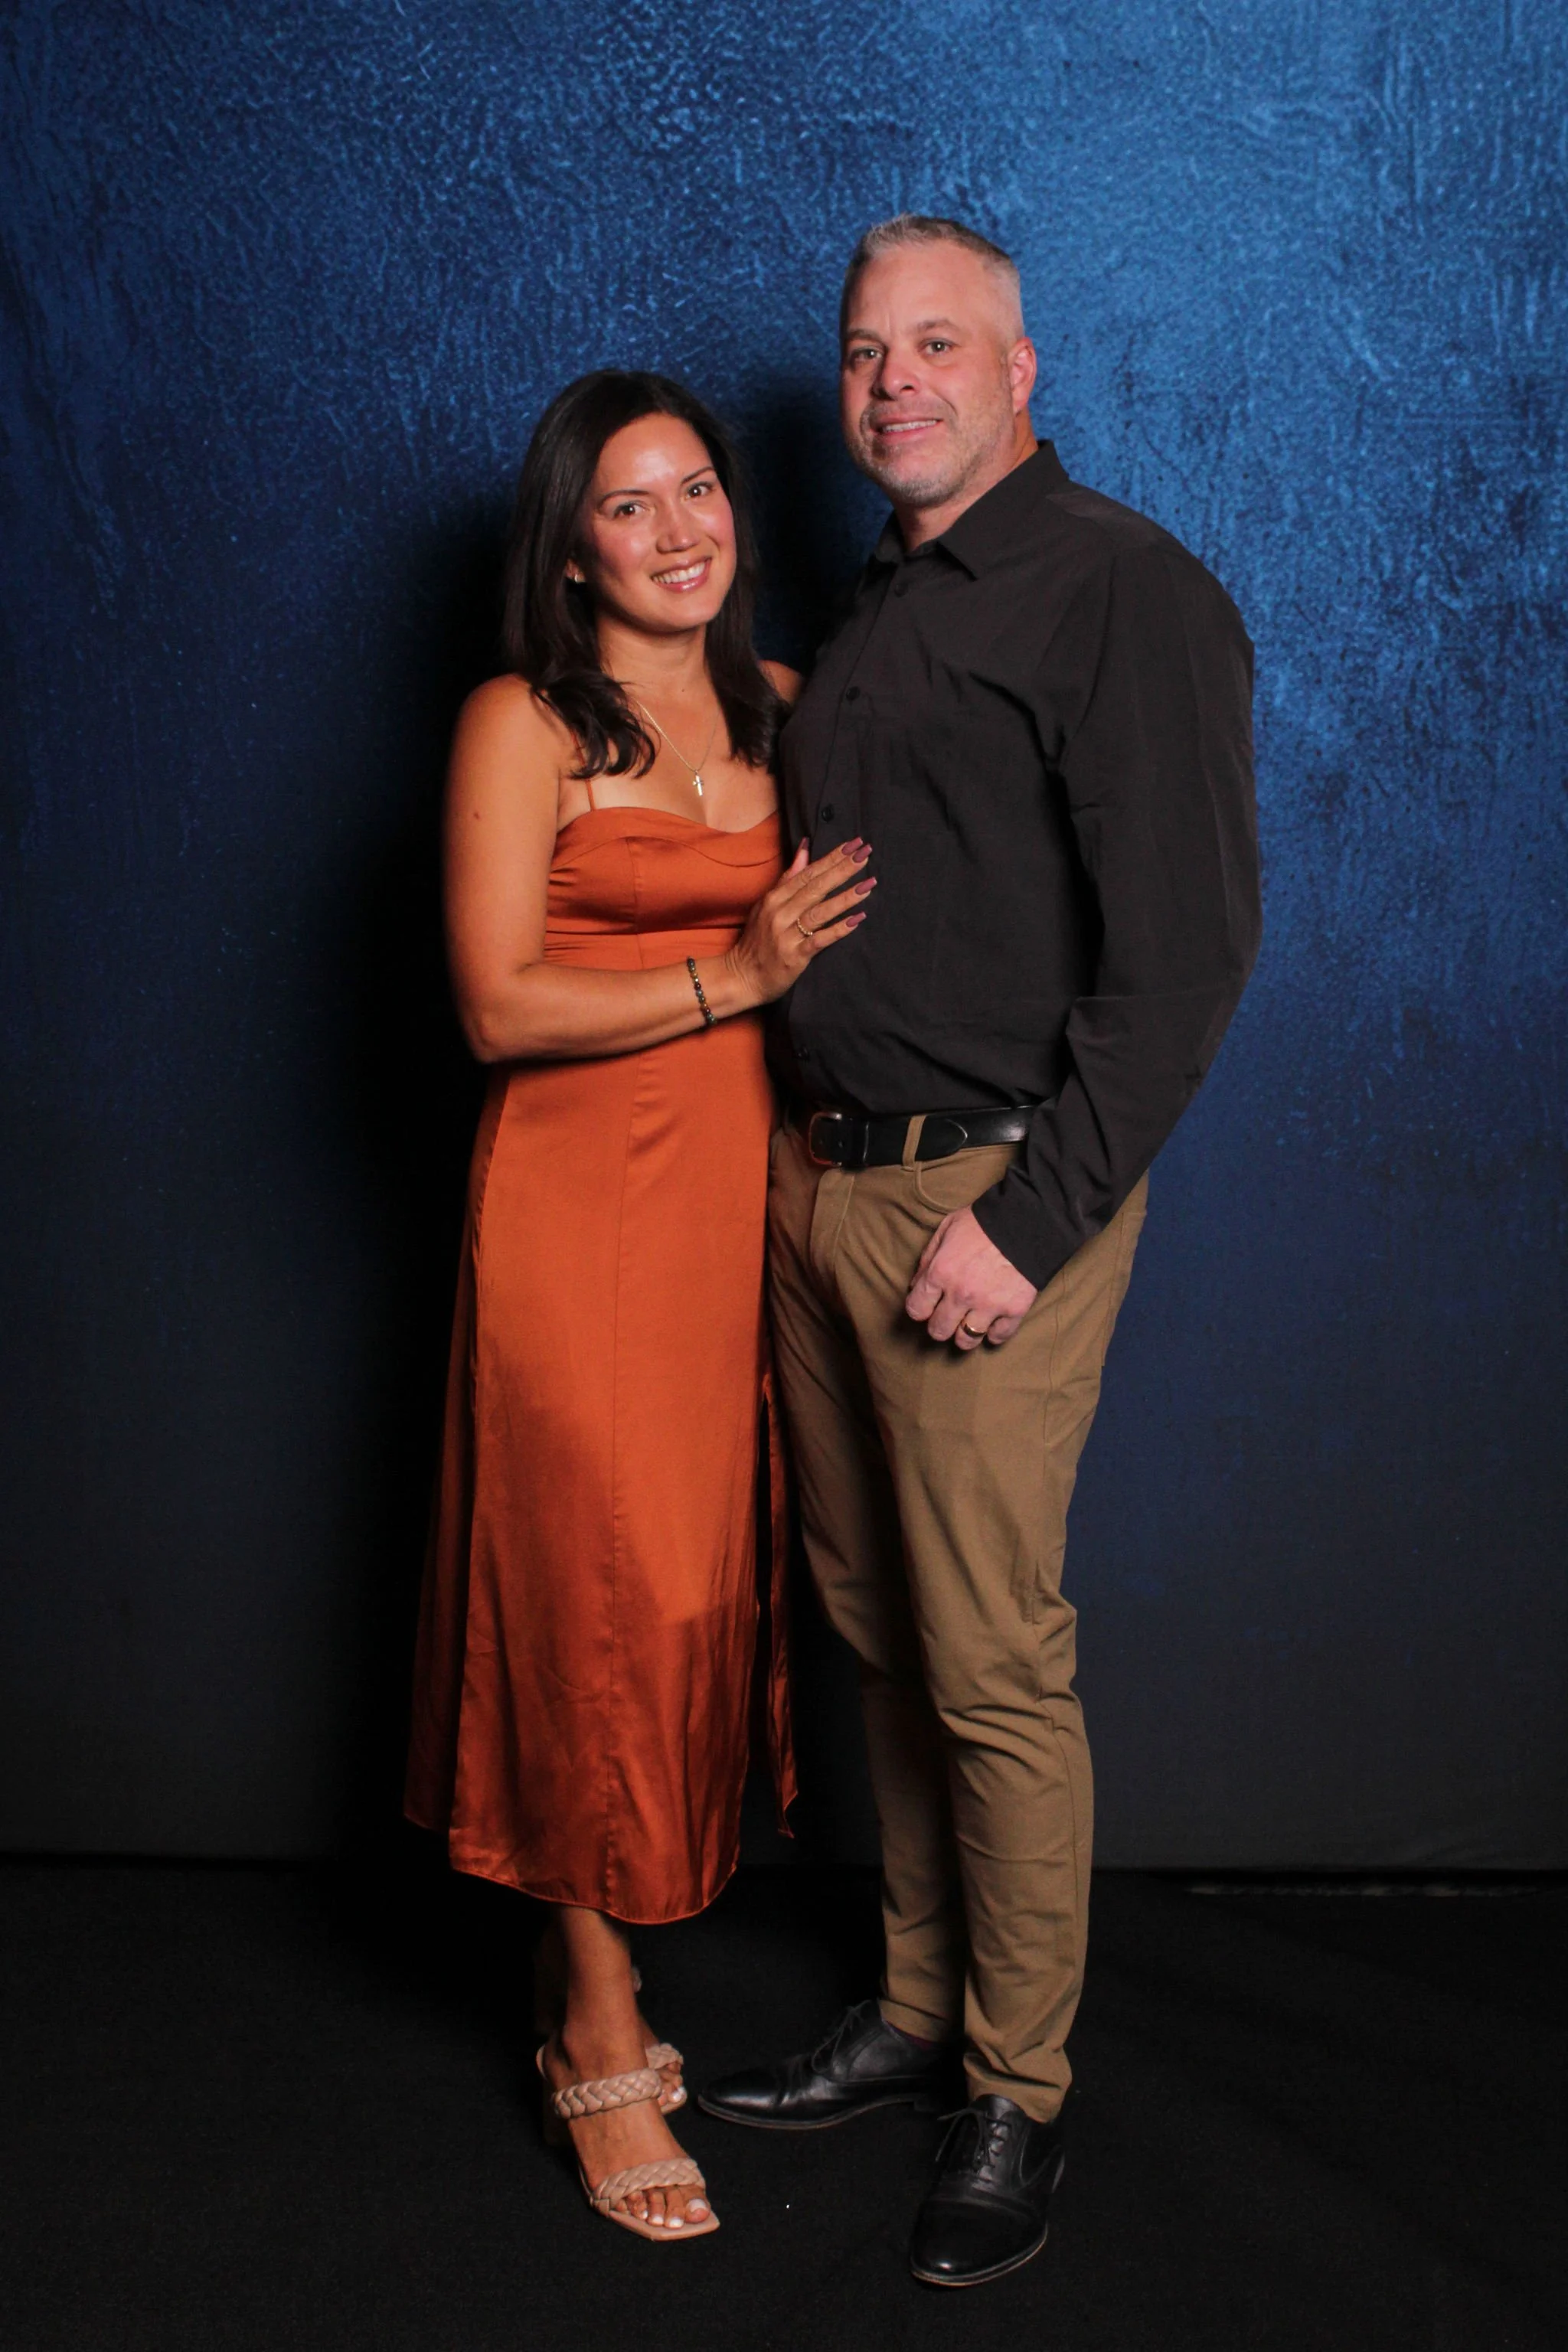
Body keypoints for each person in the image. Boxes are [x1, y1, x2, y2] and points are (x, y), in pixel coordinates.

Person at [699, 218, 1261, 2288]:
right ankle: (917, 2005)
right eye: (863, 352)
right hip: (830, 1184)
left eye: (938, 344)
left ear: (1028, 369)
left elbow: (1189, 956)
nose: (892, 382)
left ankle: (1013, 2091)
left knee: (993, 1660)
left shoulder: (1125, 591)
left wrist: (1025, 1227)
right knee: (882, 1627)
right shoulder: (891, 600)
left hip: (990, 1207)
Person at [404, 370, 874, 2245]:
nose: (679, 530)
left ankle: (580, 1948)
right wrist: (728, 973)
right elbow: (495, 1006)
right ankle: (596, 2014)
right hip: (572, 1211)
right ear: (569, 544)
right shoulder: (521, 723)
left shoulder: (783, 709)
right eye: (629, 505)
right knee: (583, 1594)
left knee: (685, 1591)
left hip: (733, 1220)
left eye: (699, 491)